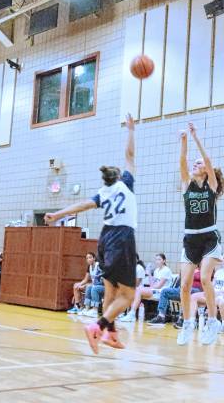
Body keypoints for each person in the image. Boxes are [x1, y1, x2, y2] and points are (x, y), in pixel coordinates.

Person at [45, 113, 137, 354]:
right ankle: (98, 326)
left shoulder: (103, 192)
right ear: (118, 176)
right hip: (122, 237)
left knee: (111, 291)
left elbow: (81, 206)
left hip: (104, 239)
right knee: (128, 296)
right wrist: (131, 130)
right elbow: (130, 156)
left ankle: (111, 334)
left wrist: (57, 215)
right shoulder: (125, 183)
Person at [176, 122, 224, 346]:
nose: (196, 164)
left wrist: (196, 137)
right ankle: (188, 323)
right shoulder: (187, 184)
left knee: (205, 278)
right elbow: (182, 163)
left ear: (206, 170)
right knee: (185, 285)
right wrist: (184, 142)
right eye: (194, 163)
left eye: (200, 163)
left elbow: (208, 161)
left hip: (209, 238)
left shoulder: (211, 186)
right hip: (190, 239)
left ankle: (213, 321)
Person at [119, 253, 173, 322]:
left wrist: (149, 274)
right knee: (136, 290)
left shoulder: (166, 270)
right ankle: (131, 314)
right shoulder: (156, 270)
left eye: (159, 259)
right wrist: (150, 274)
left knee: (138, 290)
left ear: (164, 261)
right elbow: (152, 284)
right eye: (156, 259)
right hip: (155, 290)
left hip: (162, 292)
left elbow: (158, 286)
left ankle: (131, 314)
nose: (157, 261)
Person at [187, 252, 224, 322]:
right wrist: (208, 291)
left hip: (222, 295)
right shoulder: (218, 272)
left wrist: (214, 292)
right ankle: (192, 320)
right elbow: (212, 285)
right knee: (193, 296)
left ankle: (212, 322)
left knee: (213, 301)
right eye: (223, 258)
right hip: (213, 293)